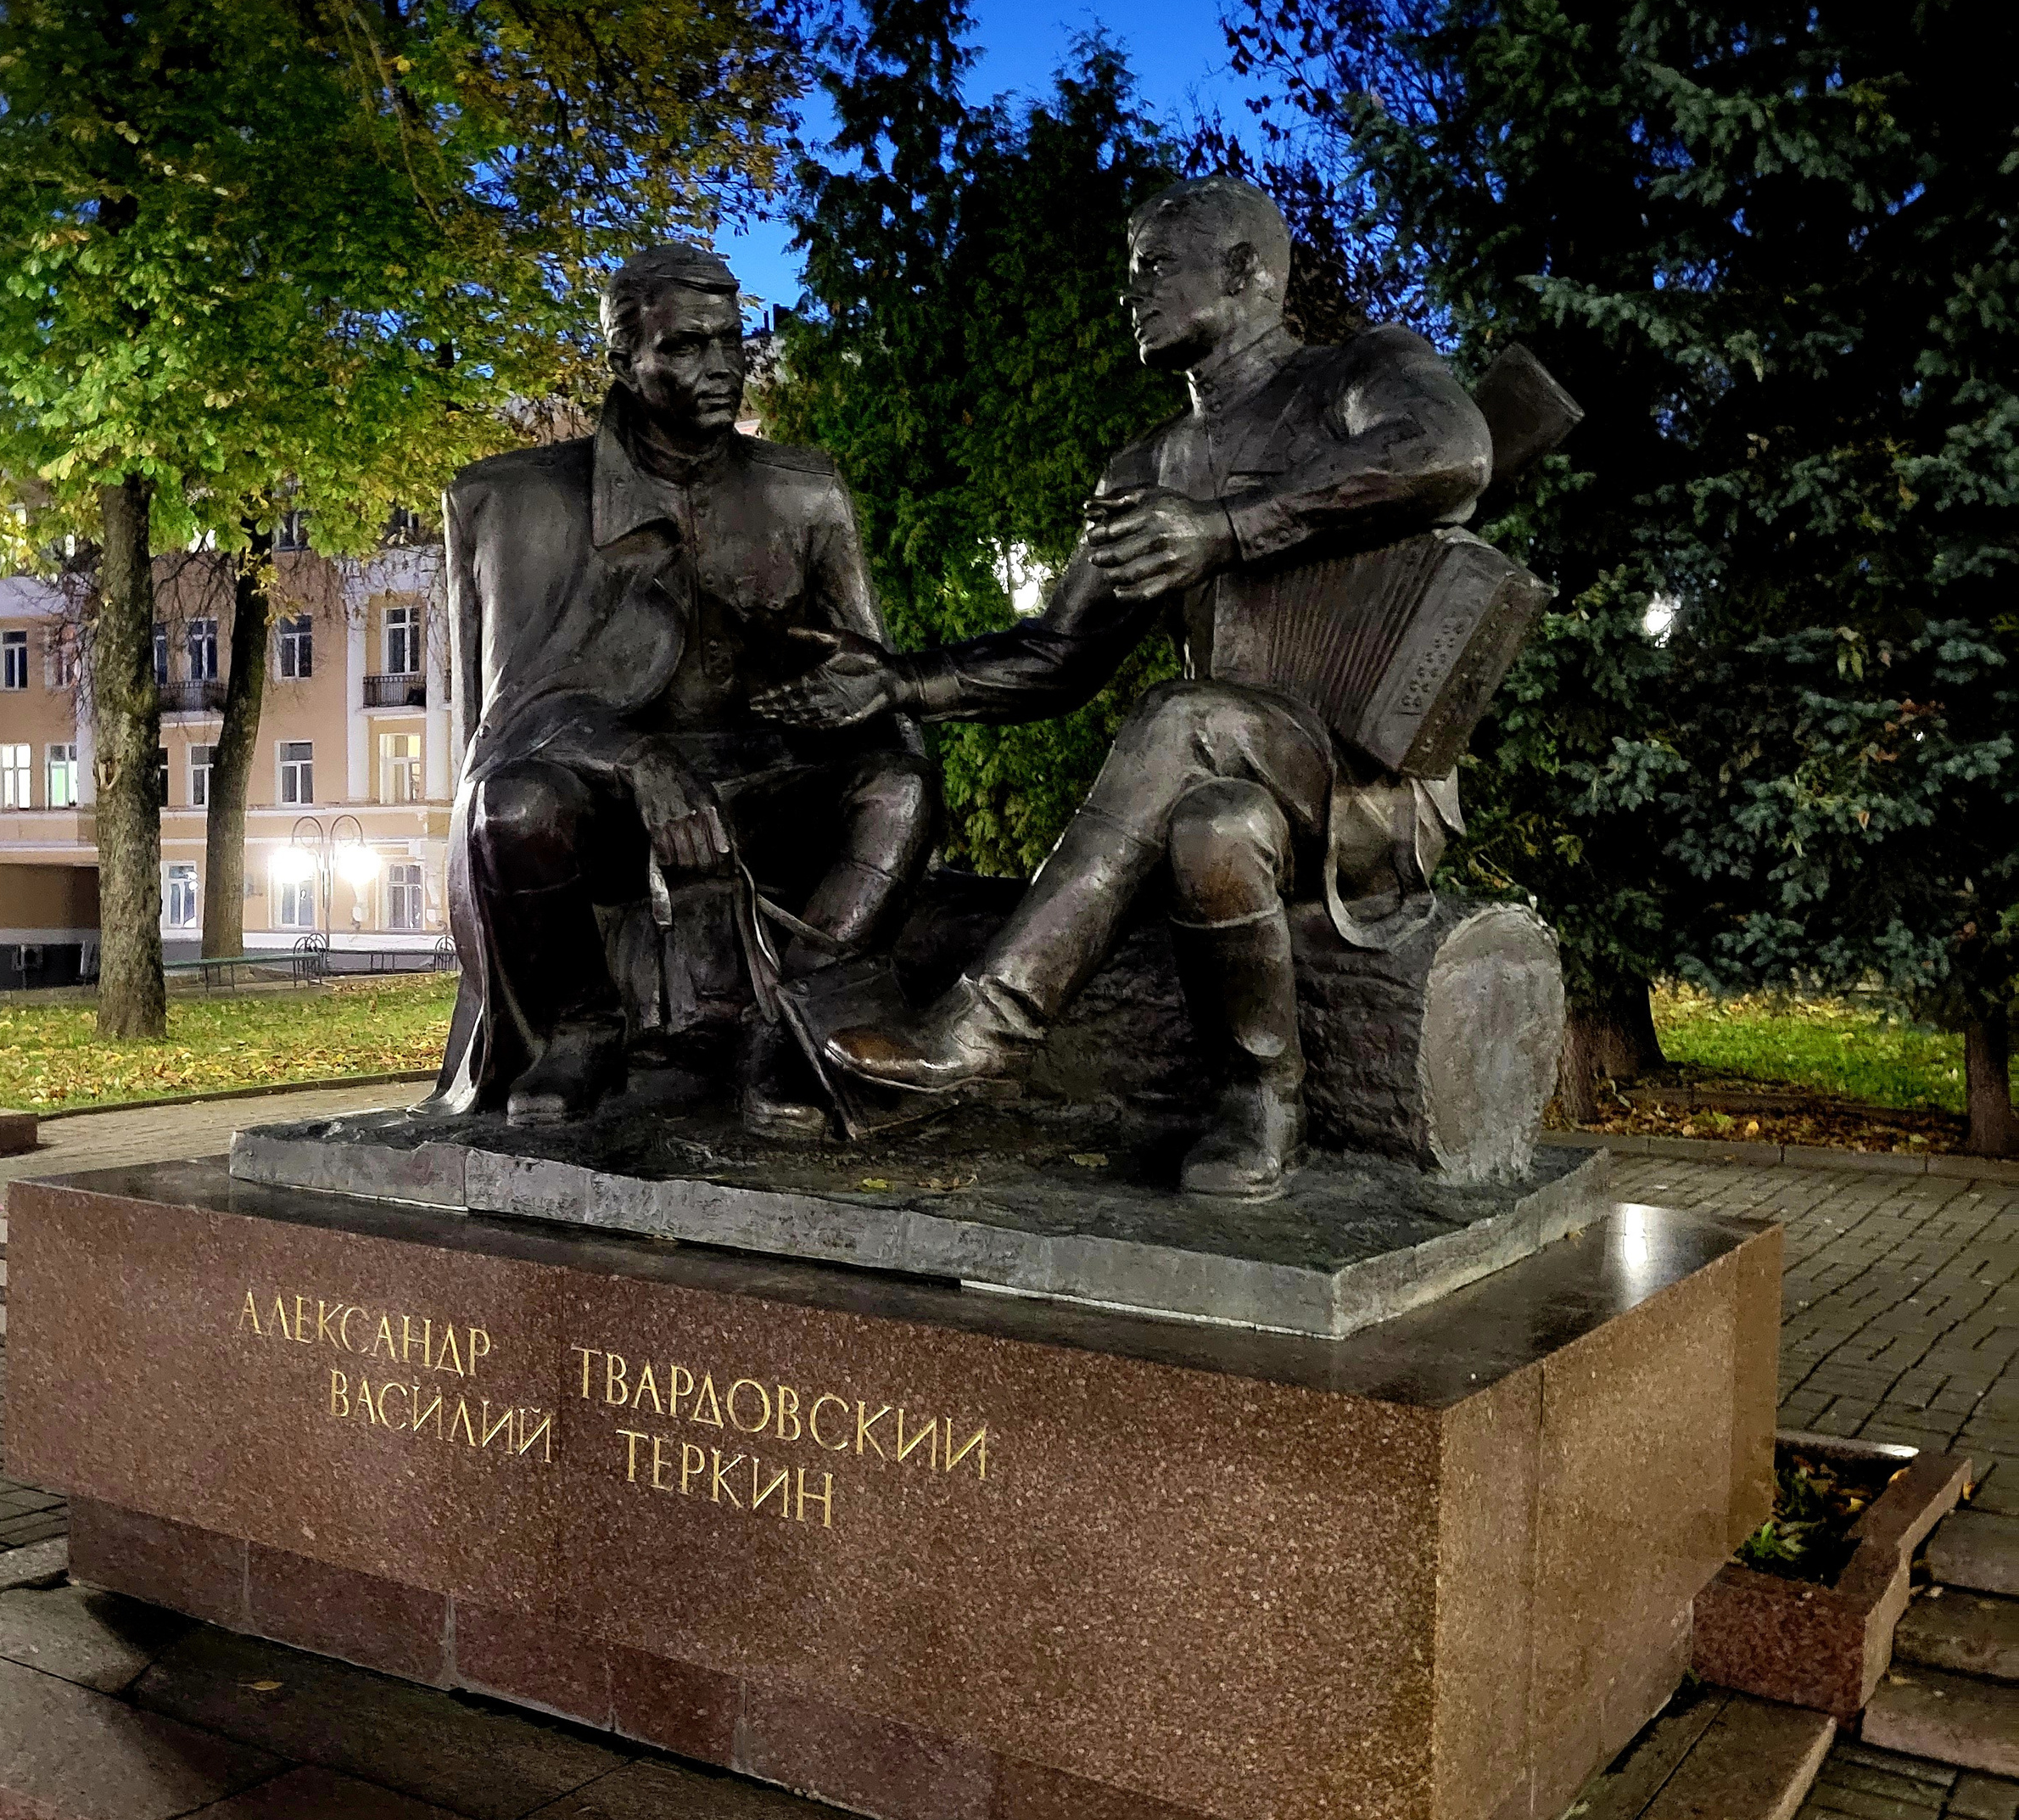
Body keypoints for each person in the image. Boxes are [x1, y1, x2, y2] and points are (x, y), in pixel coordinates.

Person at [752, 175, 1492, 1196]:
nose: (1129, 292)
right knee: (1213, 829)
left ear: (1243, 273)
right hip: (1240, 791)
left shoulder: (1359, 377)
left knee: (1187, 716)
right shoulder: (1148, 466)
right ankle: (1263, 1098)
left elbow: (1453, 450)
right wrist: (897, 685)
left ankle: (979, 1030)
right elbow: (1059, 655)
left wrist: (1227, 528)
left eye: (1153, 266)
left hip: (1368, 799)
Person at [432, 243, 936, 1134]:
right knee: (509, 808)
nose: (722, 369)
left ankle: (790, 1023)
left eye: (732, 343)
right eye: (686, 346)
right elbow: (510, 721)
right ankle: (578, 1026)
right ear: (625, 361)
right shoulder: (520, 500)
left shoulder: (804, 491)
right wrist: (638, 759)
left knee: (899, 780)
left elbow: (871, 678)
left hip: (768, 775)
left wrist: (846, 689)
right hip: (604, 788)